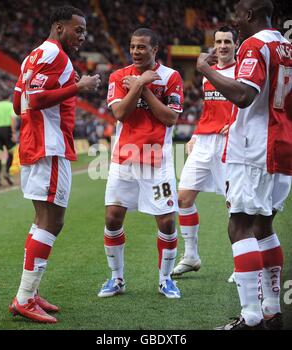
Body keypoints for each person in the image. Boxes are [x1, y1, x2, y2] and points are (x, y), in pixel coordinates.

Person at [197, 0, 292, 330]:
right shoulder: (286, 46)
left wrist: (205, 69)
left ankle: (250, 318)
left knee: (239, 226)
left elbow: (243, 95)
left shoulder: (254, 45)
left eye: (238, 14)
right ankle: (272, 310)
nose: (234, 21)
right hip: (281, 147)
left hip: (253, 148)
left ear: (249, 15)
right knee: (264, 227)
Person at [8, 5, 101, 323]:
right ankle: (24, 298)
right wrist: (79, 87)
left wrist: (65, 86)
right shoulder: (56, 56)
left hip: (35, 143)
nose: (82, 36)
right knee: (53, 221)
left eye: (85, 31)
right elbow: (33, 101)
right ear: (59, 27)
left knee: (42, 220)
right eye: (78, 29)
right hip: (50, 146)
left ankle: (27, 293)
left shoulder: (32, 55)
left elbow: (17, 101)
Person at [98, 28, 184, 299]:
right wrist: (137, 83)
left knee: (167, 222)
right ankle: (116, 278)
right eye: (133, 46)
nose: (136, 51)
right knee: (112, 217)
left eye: (142, 47)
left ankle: (165, 279)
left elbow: (170, 117)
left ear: (155, 49)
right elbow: (121, 113)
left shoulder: (171, 77)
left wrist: (142, 88)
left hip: (158, 161)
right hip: (123, 159)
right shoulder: (118, 76)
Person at [171, 26, 239, 277]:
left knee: (235, 205)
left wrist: (235, 125)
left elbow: (251, 104)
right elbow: (209, 109)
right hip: (204, 141)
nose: (222, 46)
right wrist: (196, 135)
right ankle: (191, 256)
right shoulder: (207, 74)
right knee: (183, 198)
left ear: (236, 45)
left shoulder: (243, 71)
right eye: (218, 41)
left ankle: (241, 263)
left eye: (227, 41)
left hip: (229, 143)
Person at [0, 94, 17, 186]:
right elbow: (13, 118)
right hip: (7, 130)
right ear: (8, 98)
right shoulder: (10, 105)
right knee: (12, 152)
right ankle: (7, 172)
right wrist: (13, 132)